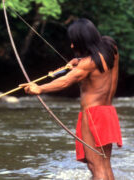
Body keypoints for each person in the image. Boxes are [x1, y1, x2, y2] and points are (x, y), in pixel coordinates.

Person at [20, 18, 122, 180]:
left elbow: (65, 81)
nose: (72, 46)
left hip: (92, 115)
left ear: (84, 41)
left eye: (75, 42)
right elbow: (92, 61)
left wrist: (39, 88)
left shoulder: (87, 64)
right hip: (107, 113)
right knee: (103, 164)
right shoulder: (111, 47)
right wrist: (78, 61)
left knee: (96, 165)